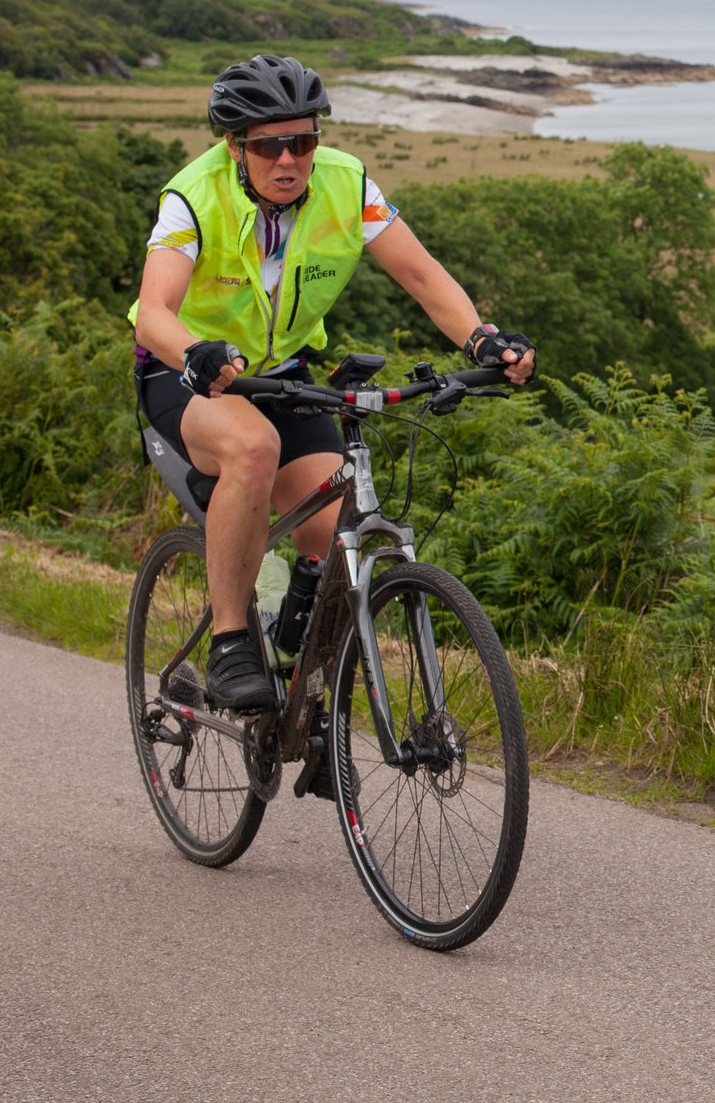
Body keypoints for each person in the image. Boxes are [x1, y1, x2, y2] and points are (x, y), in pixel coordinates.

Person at [129, 54, 537, 713]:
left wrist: (482, 339)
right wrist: (194, 350)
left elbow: (423, 275)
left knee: (332, 529)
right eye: (268, 145)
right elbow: (153, 313)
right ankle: (231, 639)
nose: (289, 158)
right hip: (189, 374)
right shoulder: (192, 196)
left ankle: (307, 690)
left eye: (304, 140)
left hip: (284, 377)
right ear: (235, 146)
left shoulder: (349, 184)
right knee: (253, 449)